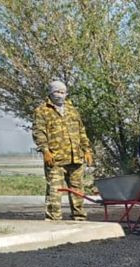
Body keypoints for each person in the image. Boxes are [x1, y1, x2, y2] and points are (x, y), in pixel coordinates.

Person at [32, 80, 93, 221]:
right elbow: (39, 132)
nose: (60, 95)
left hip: (75, 158)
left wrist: (87, 150)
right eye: (57, 92)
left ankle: (79, 218)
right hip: (55, 158)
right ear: (50, 93)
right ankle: (54, 219)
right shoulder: (42, 111)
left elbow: (81, 131)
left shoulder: (72, 110)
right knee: (55, 191)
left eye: (63, 92)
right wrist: (45, 150)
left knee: (77, 190)